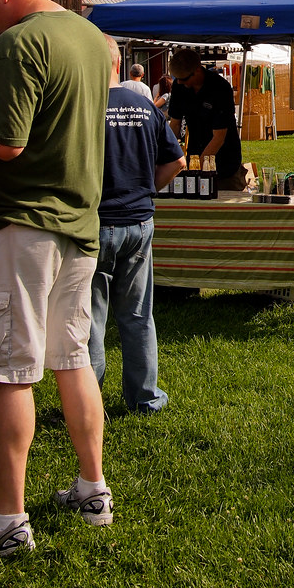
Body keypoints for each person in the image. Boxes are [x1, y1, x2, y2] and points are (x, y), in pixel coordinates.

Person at [0, 0, 113, 558]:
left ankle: (7, 520)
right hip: (80, 221)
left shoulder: (18, 43)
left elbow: (5, 142)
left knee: (11, 369)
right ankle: (92, 488)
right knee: (71, 358)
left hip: (21, 220)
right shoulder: (92, 37)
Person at [88, 37, 186, 415]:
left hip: (96, 222)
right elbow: (176, 162)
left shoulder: (86, 106)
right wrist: (147, 188)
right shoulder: (146, 105)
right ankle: (145, 398)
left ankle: (88, 404)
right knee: (138, 315)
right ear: (119, 64)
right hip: (139, 221)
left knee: (91, 320)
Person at [168, 49, 245, 190]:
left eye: (184, 78)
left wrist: (198, 169)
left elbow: (219, 137)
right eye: (176, 78)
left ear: (197, 70)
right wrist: (169, 157)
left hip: (224, 162)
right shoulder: (179, 87)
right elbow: (175, 124)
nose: (179, 82)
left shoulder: (220, 88)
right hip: (195, 154)